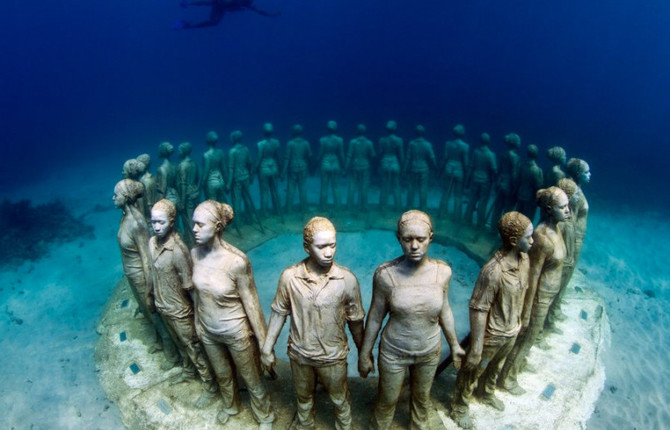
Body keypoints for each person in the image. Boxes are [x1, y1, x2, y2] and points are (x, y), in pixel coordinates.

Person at [358, 210, 466, 429]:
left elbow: (444, 310)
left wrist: (454, 345)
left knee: (422, 399)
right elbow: (375, 317)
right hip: (394, 352)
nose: (414, 246)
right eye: (408, 239)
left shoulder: (442, 272)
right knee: (387, 401)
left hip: (429, 351)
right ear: (399, 238)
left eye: (421, 239)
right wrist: (364, 353)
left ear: (431, 238)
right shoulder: (386, 275)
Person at [261, 217, 365, 430]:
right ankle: (305, 425)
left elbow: (355, 320)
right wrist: (267, 347)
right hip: (300, 355)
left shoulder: (347, 280)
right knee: (303, 397)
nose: (329, 252)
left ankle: (344, 426)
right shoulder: (290, 277)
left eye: (333, 245)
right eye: (321, 246)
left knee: (340, 399)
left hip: (333, 356)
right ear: (307, 247)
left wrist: (364, 353)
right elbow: (279, 312)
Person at [191, 200, 275, 428]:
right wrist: (198, 324)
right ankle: (231, 405)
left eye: (200, 224)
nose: (194, 229)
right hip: (208, 330)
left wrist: (265, 345)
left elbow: (252, 305)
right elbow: (197, 293)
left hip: (236, 332)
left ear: (218, 226)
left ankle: (264, 415)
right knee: (223, 374)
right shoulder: (195, 254)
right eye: (193, 224)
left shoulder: (237, 262)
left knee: (251, 377)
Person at [450, 212, 533, 429]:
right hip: (493, 334)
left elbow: (524, 293)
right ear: (514, 242)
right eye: (529, 237)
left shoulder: (524, 260)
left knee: (496, 366)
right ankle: (460, 405)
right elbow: (478, 307)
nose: (533, 241)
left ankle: (486, 392)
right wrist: (476, 345)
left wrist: (521, 321)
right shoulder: (493, 271)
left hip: (511, 329)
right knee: (473, 370)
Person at [497, 186, 570, 395]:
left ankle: (516, 365)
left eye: (567, 206)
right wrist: (526, 310)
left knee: (530, 338)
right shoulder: (542, 238)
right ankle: (507, 378)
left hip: (547, 296)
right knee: (527, 336)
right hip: (538, 298)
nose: (568, 211)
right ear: (548, 209)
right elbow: (533, 276)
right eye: (562, 207)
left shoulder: (557, 230)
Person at [148, 199, 218, 408]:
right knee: (180, 345)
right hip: (163, 306)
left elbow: (190, 286)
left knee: (194, 348)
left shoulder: (178, 250)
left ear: (172, 221)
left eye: (161, 222)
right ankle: (188, 371)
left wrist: (198, 316)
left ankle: (210, 387)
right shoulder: (152, 243)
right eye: (153, 222)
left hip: (180, 310)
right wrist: (150, 296)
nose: (157, 227)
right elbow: (152, 273)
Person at [113, 179, 180, 369]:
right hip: (132, 275)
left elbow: (146, 259)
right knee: (147, 313)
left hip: (141, 276)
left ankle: (172, 354)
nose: (113, 198)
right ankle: (159, 342)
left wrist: (151, 288)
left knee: (154, 313)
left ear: (125, 197)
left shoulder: (136, 223)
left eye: (116, 195)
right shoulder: (125, 217)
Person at [227, 130, 261, 225]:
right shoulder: (245, 149)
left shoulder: (232, 152)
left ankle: (238, 222)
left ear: (234, 139)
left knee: (237, 201)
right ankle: (249, 218)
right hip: (245, 176)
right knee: (247, 198)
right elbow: (250, 163)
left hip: (236, 178)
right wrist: (251, 175)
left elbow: (231, 169)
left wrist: (229, 183)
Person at [174, 0, 280, 30]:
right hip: (219, 6)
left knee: (214, 22)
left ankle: (187, 25)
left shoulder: (247, 5)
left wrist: (271, 15)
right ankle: (186, 22)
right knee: (213, 19)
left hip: (222, 9)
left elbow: (259, 11)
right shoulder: (241, 3)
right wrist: (190, 3)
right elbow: (207, 3)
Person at [464, 133, 497, 228]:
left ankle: (467, 220)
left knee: (472, 200)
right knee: (482, 203)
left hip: (475, 179)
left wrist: (467, 180)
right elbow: (494, 169)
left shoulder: (476, 152)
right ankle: (480, 224)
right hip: (485, 182)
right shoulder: (491, 155)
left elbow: (471, 167)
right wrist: (495, 181)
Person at [489, 133, 522, 228]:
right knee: (507, 209)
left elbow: (499, 169)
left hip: (500, 182)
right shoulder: (515, 157)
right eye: (518, 141)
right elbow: (515, 174)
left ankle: (493, 228)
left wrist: (497, 182)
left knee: (497, 207)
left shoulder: (503, 153)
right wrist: (515, 188)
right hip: (508, 185)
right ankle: (503, 230)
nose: (520, 143)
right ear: (514, 143)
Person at [439, 124, 469, 221]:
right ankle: (457, 217)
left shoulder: (448, 144)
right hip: (459, 171)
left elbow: (445, 158)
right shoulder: (465, 146)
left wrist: (440, 170)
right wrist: (467, 175)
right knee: (458, 196)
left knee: (446, 193)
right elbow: (465, 162)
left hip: (448, 169)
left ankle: (442, 214)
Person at [404, 125, 437, 211]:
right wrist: (436, 167)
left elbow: (408, 157)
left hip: (414, 167)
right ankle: (423, 208)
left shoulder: (412, 144)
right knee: (423, 189)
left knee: (411, 188)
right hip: (424, 168)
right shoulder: (427, 144)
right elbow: (432, 157)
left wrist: (404, 169)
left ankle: (409, 206)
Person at [345, 124, 376, 210]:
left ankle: (349, 206)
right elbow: (373, 155)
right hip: (365, 166)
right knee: (364, 187)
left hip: (355, 166)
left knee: (352, 186)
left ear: (357, 131)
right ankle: (364, 206)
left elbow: (349, 156)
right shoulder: (369, 143)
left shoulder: (353, 142)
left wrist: (346, 167)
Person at [282, 124, 312, 214]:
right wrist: (311, 167)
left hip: (292, 168)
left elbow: (287, 158)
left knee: (291, 189)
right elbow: (310, 155)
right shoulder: (306, 143)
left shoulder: (290, 143)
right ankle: (304, 208)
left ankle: (288, 209)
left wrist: (283, 171)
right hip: (303, 167)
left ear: (293, 133)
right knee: (302, 189)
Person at [254, 123, 282, 217]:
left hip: (263, 168)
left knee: (264, 192)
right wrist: (281, 169)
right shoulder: (276, 142)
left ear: (263, 132)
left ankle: (264, 213)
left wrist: (254, 170)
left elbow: (258, 158)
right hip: (274, 167)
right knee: (275, 191)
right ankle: (278, 211)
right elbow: (278, 157)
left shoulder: (260, 144)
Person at [317, 121, 345, 210]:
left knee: (324, 187)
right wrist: (344, 166)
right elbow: (341, 154)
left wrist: (315, 164)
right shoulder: (339, 140)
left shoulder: (323, 140)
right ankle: (338, 206)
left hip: (325, 162)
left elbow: (320, 153)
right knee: (336, 187)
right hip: (335, 162)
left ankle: (322, 207)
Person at [377, 120, 404, 211]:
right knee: (396, 186)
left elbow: (380, 153)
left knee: (384, 186)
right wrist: (403, 167)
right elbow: (401, 155)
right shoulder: (399, 140)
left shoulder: (382, 140)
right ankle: (398, 207)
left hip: (385, 162)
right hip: (395, 163)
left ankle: (383, 207)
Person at [176, 142, 200, 245]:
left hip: (187, 196)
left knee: (190, 221)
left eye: (180, 150)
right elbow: (197, 177)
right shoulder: (194, 163)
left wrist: (181, 201)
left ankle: (196, 243)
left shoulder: (182, 166)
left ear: (184, 151)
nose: (178, 152)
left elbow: (183, 185)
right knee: (197, 219)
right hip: (195, 193)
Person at [515, 144, 544, 222]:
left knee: (518, 217)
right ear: (536, 154)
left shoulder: (522, 166)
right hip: (530, 199)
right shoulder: (537, 170)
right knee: (527, 220)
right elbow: (538, 186)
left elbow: (518, 180)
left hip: (520, 195)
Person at [200, 131, 228, 203]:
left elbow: (206, 172)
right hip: (220, 181)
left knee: (213, 206)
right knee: (222, 204)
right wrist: (227, 183)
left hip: (211, 183)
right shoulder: (220, 152)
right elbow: (224, 170)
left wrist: (202, 185)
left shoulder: (206, 155)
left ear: (207, 141)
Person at [156, 141, 179, 207]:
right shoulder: (175, 166)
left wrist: (158, 205)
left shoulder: (161, 169)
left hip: (167, 199)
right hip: (175, 198)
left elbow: (162, 189)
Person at [137, 153, 158, 218]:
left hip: (149, 215)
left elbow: (149, 203)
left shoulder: (145, 182)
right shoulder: (153, 178)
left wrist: (153, 219)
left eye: (138, 164)